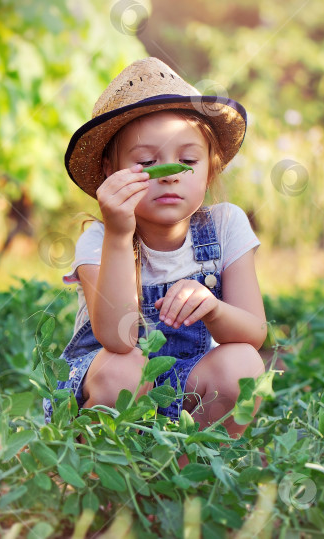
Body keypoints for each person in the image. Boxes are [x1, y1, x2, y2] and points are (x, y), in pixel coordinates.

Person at [43, 57, 266, 461]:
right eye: (146, 163)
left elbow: (254, 333)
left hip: (186, 383)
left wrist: (214, 310)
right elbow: (117, 338)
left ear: (210, 170)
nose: (168, 175)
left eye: (187, 161)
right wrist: (118, 232)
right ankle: (104, 472)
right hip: (107, 386)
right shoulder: (100, 238)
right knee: (127, 370)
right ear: (111, 173)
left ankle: (185, 471)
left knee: (244, 365)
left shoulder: (226, 224)